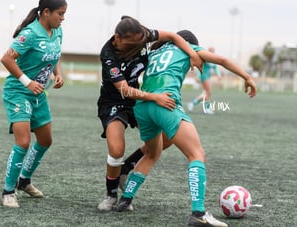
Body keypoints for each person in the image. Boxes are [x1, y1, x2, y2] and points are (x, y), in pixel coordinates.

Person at [116, 30, 257, 227]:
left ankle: (125, 199)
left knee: (152, 154)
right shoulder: (187, 48)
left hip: (142, 106)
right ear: (189, 44)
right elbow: (222, 60)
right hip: (165, 103)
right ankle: (198, 213)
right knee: (197, 154)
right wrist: (247, 77)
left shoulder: (156, 52)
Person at [97, 16, 203, 212]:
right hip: (115, 101)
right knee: (116, 150)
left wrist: (192, 54)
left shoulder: (142, 36)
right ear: (117, 38)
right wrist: (155, 97)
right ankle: (110, 195)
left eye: (141, 41)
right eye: (133, 43)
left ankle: (128, 166)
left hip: (139, 99)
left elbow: (172, 35)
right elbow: (123, 89)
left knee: (169, 137)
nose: (139, 46)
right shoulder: (108, 55)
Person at [0, 0, 67, 208]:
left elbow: (54, 55)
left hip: (38, 94)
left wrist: (58, 73)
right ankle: (8, 191)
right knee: (23, 142)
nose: (63, 18)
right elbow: (6, 58)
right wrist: (27, 81)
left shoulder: (57, 31)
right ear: (45, 12)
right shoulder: (29, 34)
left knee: (46, 140)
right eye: (60, 13)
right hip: (17, 92)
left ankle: (24, 181)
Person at [187, 47, 221, 115]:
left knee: (206, 93)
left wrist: (218, 75)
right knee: (208, 92)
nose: (212, 52)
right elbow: (200, 67)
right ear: (208, 51)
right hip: (204, 76)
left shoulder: (213, 59)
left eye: (213, 51)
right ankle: (207, 109)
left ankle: (192, 103)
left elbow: (215, 68)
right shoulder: (206, 58)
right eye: (211, 51)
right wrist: (198, 76)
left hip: (208, 77)